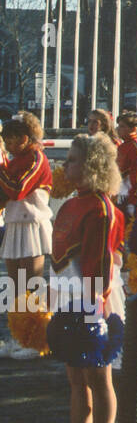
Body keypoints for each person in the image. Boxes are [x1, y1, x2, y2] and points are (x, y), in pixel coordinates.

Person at [46, 132, 127, 423]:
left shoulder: (102, 209)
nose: (65, 165)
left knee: (98, 376)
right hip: (68, 297)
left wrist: (96, 310)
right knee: (76, 377)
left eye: (73, 160)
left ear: (91, 165)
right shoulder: (70, 204)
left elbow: (102, 264)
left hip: (93, 300)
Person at [0, 112, 53, 359]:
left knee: (31, 283)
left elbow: (17, 190)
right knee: (15, 284)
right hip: (14, 223)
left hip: (32, 224)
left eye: (10, 141)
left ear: (23, 138)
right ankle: (18, 334)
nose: (8, 145)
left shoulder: (35, 157)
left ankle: (36, 339)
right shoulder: (14, 159)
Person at [114, 112, 137, 215]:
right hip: (118, 194)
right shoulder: (122, 146)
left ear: (133, 129)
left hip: (126, 197)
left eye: (122, 126)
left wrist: (133, 202)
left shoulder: (135, 147)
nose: (118, 129)